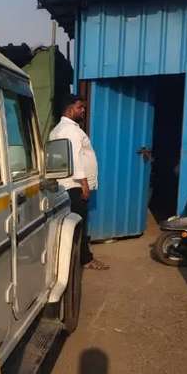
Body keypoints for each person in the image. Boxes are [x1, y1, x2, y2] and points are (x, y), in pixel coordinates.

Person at [49, 94, 109, 270]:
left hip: (64, 184)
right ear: (69, 109)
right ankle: (85, 259)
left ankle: (77, 258)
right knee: (78, 224)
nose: (83, 110)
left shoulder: (57, 130)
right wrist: (84, 183)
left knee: (70, 224)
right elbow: (75, 158)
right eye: (80, 107)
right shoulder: (71, 131)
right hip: (73, 185)